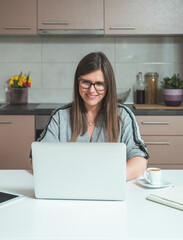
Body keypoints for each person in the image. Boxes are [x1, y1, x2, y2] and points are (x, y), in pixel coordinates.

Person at [37, 52, 149, 181]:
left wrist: (106, 179)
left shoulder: (123, 116)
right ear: (77, 82)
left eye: (99, 84)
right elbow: (39, 158)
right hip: (69, 187)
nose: (91, 90)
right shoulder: (60, 117)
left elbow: (139, 160)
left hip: (110, 187)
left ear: (108, 86)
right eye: (86, 82)